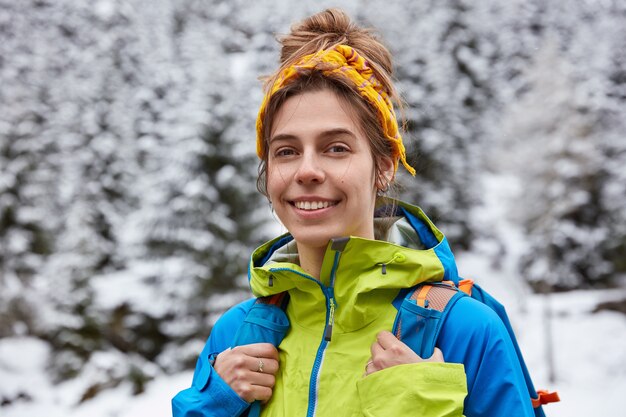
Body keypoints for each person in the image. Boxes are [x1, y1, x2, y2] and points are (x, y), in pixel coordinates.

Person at [172, 8, 534, 417]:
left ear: (383, 167)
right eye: (286, 151)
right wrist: (210, 405)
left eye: (336, 148)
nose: (307, 171)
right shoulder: (237, 335)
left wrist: (423, 407)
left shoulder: (463, 330)